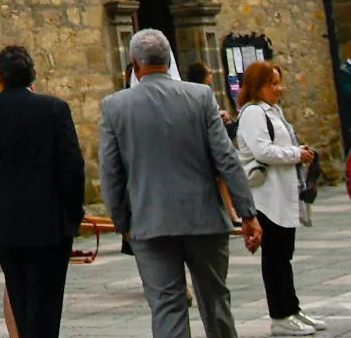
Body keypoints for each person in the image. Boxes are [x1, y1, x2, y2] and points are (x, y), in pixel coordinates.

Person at [99, 28, 260, 338]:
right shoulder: (200, 96)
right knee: (216, 301)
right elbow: (226, 158)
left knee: (166, 306)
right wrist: (247, 212)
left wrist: (122, 220)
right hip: (204, 218)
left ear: (133, 63)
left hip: (149, 220)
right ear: (169, 58)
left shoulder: (115, 106)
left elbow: (111, 171)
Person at [0, 45, 85, 338]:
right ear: (33, 74)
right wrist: (72, 215)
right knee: (46, 303)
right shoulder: (54, 109)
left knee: (19, 296)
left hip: (5, 224)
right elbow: (72, 166)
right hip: (50, 225)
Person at [232, 61, 320, 336]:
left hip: (282, 192)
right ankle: (280, 315)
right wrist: (296, 154)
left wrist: (297, 150)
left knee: (284, 255)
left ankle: (292, 308)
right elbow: (262, 151)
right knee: (274, 258)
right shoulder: (253, 114)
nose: (279, 89)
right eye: (273, 83)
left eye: (279, 82)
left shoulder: (273, 111)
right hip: (266, 197)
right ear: (258, 86)